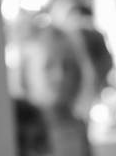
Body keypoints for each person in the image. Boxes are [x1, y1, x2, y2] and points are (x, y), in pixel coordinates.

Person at [19, 23, 92, 156]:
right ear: (27, 74)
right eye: (48, 67)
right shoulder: (17, 130)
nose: (60, 76)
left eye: (67, 66)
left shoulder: (78, 126)